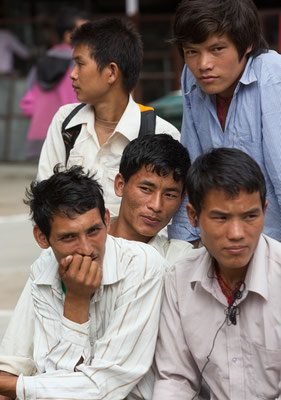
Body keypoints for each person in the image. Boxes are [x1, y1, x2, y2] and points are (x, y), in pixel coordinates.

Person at [0, 166, 167, 400]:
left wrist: (12, 387)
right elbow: (53, 376)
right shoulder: (45, 267)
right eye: (69, 237)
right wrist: (76, 300)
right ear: (42, 238)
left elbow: (105, 387)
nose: (87, 249)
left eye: (94, 231)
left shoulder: (141, 264)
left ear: (107, 220)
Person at [152, 147, 281, 399]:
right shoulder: (179, 280)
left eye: (250, 216)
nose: (236, 233)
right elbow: (175, 378)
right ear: (193, 216)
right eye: (220, 218)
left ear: (264, 211)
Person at [37, 17, 180, 217]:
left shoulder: (160, 133)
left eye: (80, 64)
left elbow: (168, 215)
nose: (72, 74)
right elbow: (44, 198)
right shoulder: (66, 122)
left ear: (111, 72)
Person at [169, 0, 281, 244]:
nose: (203, 65)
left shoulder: (272, 75)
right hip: (219, 245)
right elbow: (193, 164)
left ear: (247, 44)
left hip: (271, 245)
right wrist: (182, 247)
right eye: (192, 51)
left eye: (217, 49)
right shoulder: (191, 77)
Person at [110, 133, 193, 264]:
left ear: (182, 198)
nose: (156, 206)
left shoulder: (180, 260)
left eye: (170, 195)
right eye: (146, 189)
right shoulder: (84, 241)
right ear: (120, 185)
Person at [20, 7, 89, 160]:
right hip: (73, 134)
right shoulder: (81, 64)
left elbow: (26, 103)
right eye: (85, 31)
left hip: (41, 135)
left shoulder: (40, 63)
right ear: (68, 35)